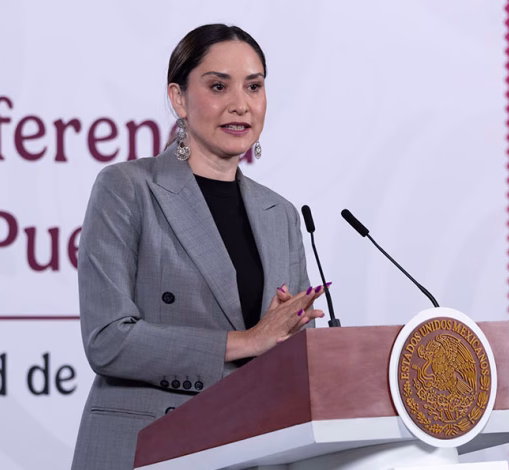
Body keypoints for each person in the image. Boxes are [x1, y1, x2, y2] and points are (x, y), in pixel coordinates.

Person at [71, 24, 327, 470]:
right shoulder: (128, 188)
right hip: (152, 444)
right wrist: (246, 341)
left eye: (254, 86)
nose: (240, 104)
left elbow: (290, 353)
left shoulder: (280, 214)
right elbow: (107, 341)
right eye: (218, 86)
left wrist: (295, 344)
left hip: (254, 446)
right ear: (178, 99)